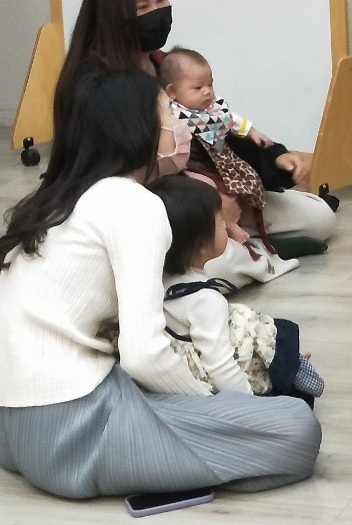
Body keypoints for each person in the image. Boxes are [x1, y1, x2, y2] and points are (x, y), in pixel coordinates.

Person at [0, 69, 321, 499]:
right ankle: (177, 464)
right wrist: (218, 409)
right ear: (139, 129)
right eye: (169, 111)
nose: (180, 123)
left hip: (13, 422)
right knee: (296, 427)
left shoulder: (59, 197)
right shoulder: (133, 204)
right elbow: (145, 355)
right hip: (73, 428)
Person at [52, 0, 336, 285]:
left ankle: (249, 245)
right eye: (143, 6)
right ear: (114, 18)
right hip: (162, 206)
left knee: (319, 218)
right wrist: (204, 203)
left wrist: (276, 158)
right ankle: (246, 252)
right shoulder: (99, 87)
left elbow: (216, 126)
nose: (158, 11)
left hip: (216, 190)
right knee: (214, 266)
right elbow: (123, 181)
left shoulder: (166, 65)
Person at [152, 175, 325, 403]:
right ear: (202, 245)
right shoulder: (205, 301)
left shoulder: (155, 283)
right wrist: (250, 407)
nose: (226, 226)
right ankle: (293, 369)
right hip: (234, 385)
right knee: (279, 334)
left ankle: (289, 363)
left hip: (193, 366)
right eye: (220, 223)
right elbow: (221, 368)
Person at [160, 47, 273, 247]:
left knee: (244, 181)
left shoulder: (212, 109)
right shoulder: (174, 115)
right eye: (197, 88)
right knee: (213, 190)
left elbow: (232, 120)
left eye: (210, 84)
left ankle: (253, 219)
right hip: (193, 167)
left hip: (220, 161)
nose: (207, 91)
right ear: (172, 92)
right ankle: (228, 226)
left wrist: (253, 132)